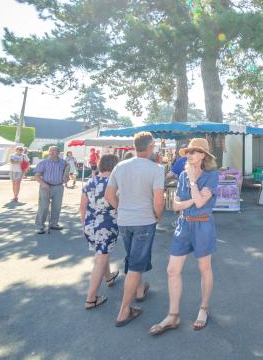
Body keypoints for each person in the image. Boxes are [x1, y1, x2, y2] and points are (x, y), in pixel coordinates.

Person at [149, 138, 219, 335]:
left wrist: (193, 183)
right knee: (172, 270)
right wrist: (190, 198)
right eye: (188, 152)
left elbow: (198, 203)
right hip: (183, 224)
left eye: (194, 152)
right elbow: (176, 205)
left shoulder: (212, 174)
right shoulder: (182, 176)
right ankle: (173, 315)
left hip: (203, 224)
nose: (189, 155)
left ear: (203, 155)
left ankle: (204, 309)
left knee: (204, 268)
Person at [105, 132, 165, 327]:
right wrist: (158, 215)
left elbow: (109, 194)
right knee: (136, 265)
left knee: (133, 257)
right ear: (151, 147)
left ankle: (139, 290)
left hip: (124, 219)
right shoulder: (156, 169)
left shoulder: (120, 166)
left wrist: (119, 207)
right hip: (144, 220)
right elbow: (158, 199)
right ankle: (124, 310)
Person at [80, 154, 120, 310]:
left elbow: (82, 207)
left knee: (101, 255)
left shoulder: (90, 182)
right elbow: (118, 205)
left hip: (90, 224)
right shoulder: (114, 184)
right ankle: (91, 298)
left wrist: (84, 224)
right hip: (107, 225)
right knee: (100, 260)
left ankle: (109, 278)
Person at [34, 146, 68, 234]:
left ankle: (54, 224)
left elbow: (66, 175)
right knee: (43, 207)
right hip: (45, 187)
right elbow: (37, 176)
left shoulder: (63, 163)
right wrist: (43, 184)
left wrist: (66, 179)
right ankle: (40, 226)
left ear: (58, 153)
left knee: (57, 206)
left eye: (54, 151)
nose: (52, 152)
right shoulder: (43, 163)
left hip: (58, 187)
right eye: (50, 151)